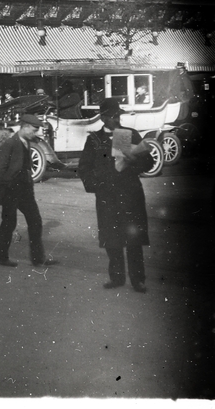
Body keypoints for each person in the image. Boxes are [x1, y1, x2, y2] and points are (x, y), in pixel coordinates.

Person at [79, 98, 153, 293]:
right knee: (112, 239)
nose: (117, 119)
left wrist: (134, 160)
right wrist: (96, 186)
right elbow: (84, 168)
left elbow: (149, 162)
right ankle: (117, 278)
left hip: (130, 196)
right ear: (103, 117)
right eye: (112, 116)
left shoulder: (128, 134)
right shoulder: (94, 139)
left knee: (133, 240)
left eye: (119, 115)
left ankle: (138, 280)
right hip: (107, 197)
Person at [0, 115, 58, 268]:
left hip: (24, 190)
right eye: (34, 129)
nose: (36, 133)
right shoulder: (10, 144)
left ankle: (38, 259)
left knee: (35, 221)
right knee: (9, 223)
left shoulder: (26, 142)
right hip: (11, 190)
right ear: (24, 127)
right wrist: (10, 185)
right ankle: (2, 257)